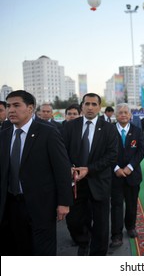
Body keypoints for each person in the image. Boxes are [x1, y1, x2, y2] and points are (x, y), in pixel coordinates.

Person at [0, 90, 73, 255]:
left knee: (42, 251)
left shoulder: (48, 132)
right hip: (11, 204)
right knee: (17, 248)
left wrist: (64, 202)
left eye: (16, 105)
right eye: (8, 106)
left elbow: (62, 169)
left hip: (41, 205)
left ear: (30, 108)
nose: (11, 110)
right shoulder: (3, 135)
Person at [62, 93, 118, 256]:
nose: (90, 107)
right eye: (87, 104)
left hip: (99, 181)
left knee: (101, 223)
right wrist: (70, 168)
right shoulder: (70, 126)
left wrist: (89, 169)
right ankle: (83, 241)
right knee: (74, 220)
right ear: (82, 106)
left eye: (94, 104)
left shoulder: (108, 128)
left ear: (99, 107)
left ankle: (98, 254)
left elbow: (112, 155)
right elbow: (62, 151)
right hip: (75, 182)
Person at [110, 104, 144, 248]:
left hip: (133, 175)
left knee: (131, 204)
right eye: (120, 113)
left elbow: (141, 151)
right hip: (115, 176)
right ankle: (116, 234)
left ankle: (130, 227)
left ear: (130, 115)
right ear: (116, 115)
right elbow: (105, 151)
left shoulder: (137, 131)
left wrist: (130, 167)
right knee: (116, 205)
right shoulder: (109, 131)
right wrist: (116, 168)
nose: (123, 115)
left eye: (126, 112)